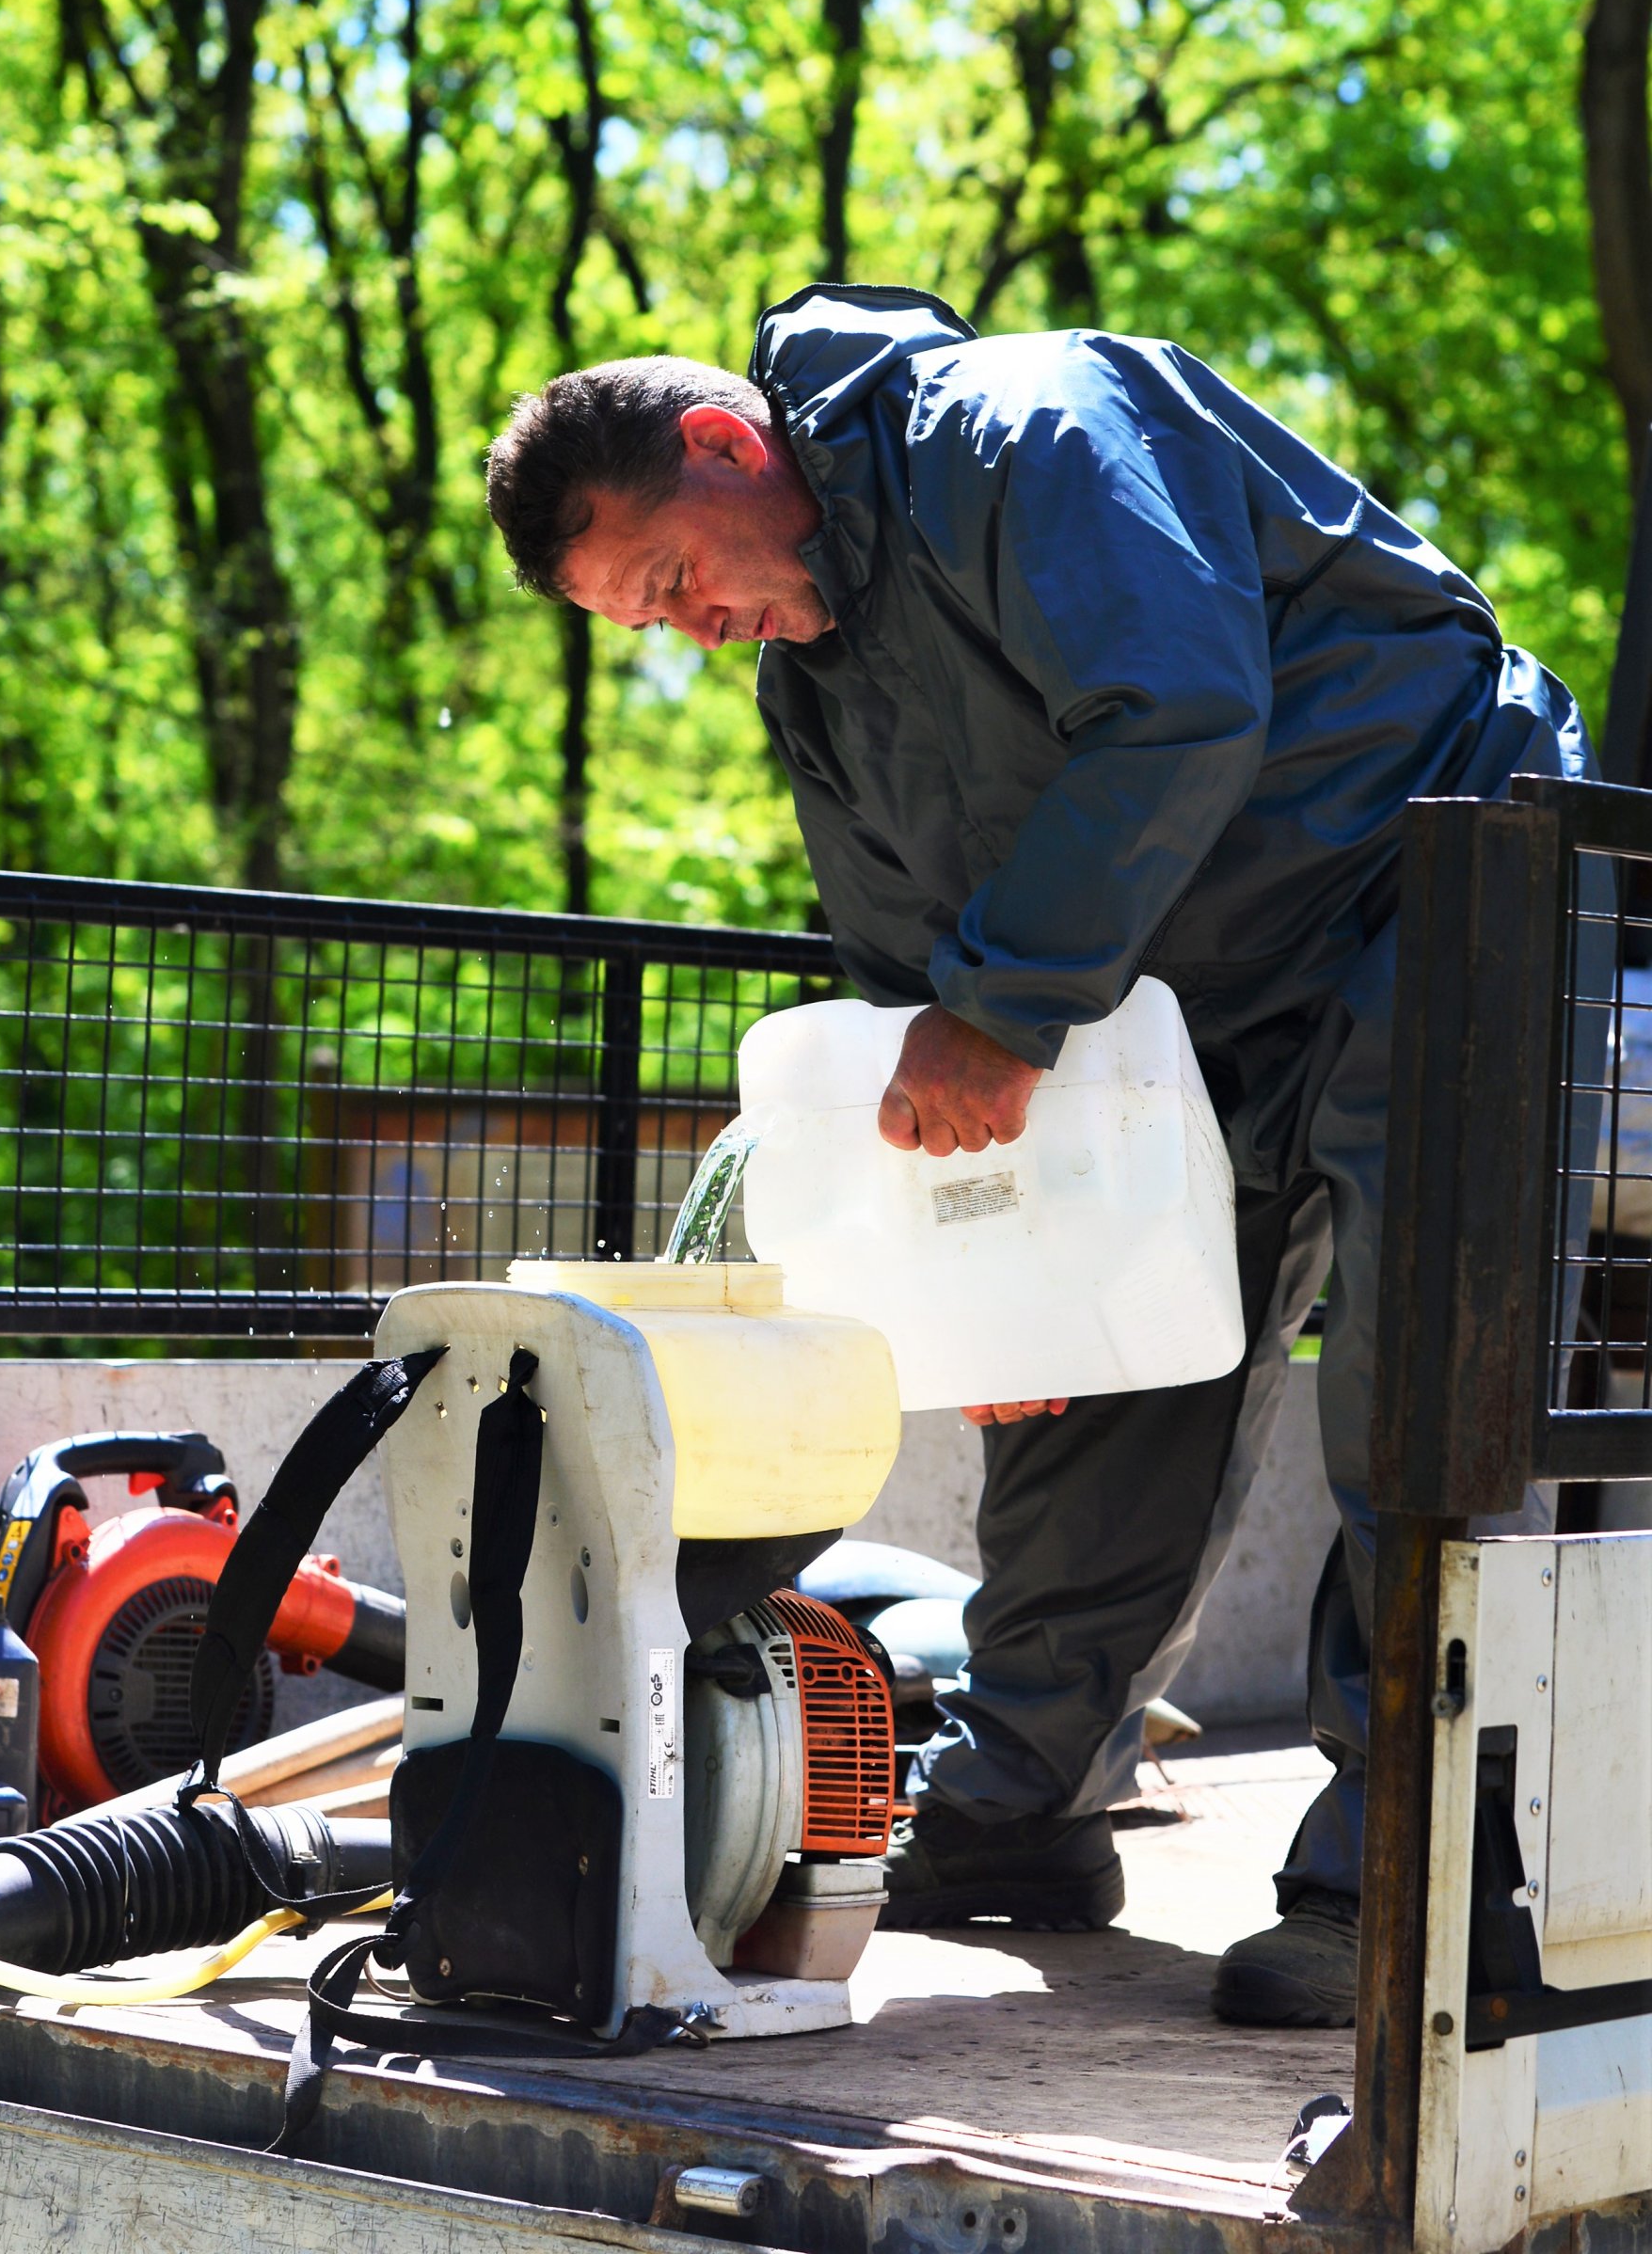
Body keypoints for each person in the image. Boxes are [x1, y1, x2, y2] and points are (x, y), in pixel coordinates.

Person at [484, 282, 1593, 2026]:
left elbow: (1177, 708)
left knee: (1414, 1389)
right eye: (645, 620)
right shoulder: (818, 689)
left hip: (1432, 872)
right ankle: (1019, 1810)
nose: (688, 629)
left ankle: (1410, 1859)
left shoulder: (1021, 426)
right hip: (1176, 993)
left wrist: (1002, 1013)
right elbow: (898, 979)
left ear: (722, 444)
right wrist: (979, 1289)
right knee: (1090, 1391)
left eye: (671, 580)